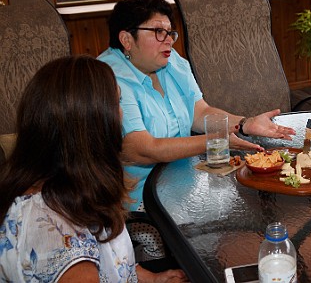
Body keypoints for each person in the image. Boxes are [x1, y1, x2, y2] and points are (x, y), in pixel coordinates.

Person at [97, 0, 296, 258]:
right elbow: (141, 150)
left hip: (182, 178)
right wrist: (217, 140)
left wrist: (245, 123)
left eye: (170, 32)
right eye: (158, 32)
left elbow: (200, 112)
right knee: (214, 237)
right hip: (138, 200)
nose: (169, 40)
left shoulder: (170, 62)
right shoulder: (108, 77)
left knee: (248, 207)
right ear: (126, 39)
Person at [0, 55, 187, 282]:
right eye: (117, 102)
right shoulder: (48, 228)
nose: (121, 114)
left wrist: (151, 278)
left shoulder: (70, 187)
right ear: (94, 122)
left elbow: (108, 260)